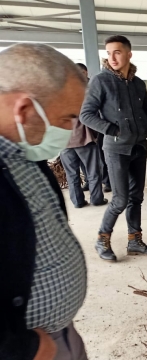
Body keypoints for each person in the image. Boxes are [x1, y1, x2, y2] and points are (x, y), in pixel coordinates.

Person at [0, 43, 89, 360]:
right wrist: (22, 348)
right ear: (24, 111)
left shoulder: (24, 150)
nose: (71, 129)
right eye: (66, 118)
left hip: (60, 333)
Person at [80, 35, 147, 261]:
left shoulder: (137, 83)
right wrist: (113, 130)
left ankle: (134, 240)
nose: (112, 57)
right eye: (108, 53)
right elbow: (86, 114)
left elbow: (146, 110)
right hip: (116, 149)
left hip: (139, 146)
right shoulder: (100, 81)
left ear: (128, 54)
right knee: (120, 199)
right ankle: (102, 240)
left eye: (117, 52)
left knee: (137, 197)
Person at [60, 75, 109, 208]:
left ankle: (77, 201)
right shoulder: (83, 97)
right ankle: (96, 199)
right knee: (93, 172)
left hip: (65, 142)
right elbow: (92, 117)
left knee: (71, 174)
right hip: (84, 139)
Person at [75, 63, 111, 193]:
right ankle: (89, 182)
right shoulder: (74, 88)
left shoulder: (94, 86)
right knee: (83, 160)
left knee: (102, 156)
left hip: (96, 127)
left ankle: (107, 182)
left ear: (85, 72)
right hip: (80, 130)